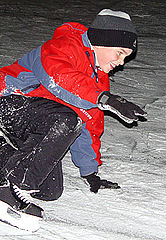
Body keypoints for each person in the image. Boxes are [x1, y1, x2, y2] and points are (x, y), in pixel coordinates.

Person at [0, 9, 146, 230]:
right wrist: (103, 98)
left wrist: (90, 172)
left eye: (126, 56)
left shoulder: (98, 78)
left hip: (35, 121)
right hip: (9, 101)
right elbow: (59, 77)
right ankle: (10, 191)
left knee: (50, 190)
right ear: (103, 42)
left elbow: (89, 121)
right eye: (120, 52)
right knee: (66, 121)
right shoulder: (63, 46)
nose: (122, 61)